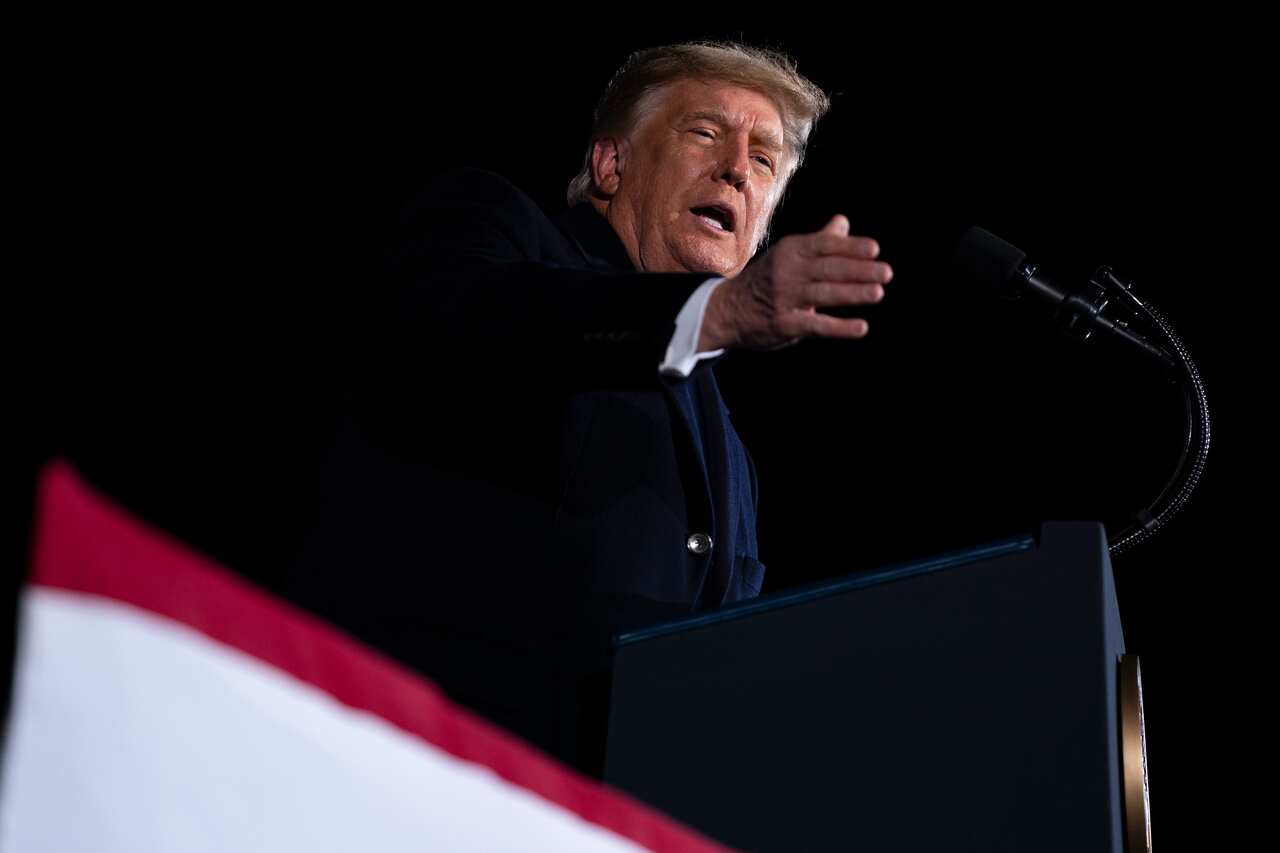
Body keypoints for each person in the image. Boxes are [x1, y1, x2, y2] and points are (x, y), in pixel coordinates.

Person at [288, 41, 893, 773]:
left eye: (764, 160)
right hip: (426, 754)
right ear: (610, 165)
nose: (737, 166)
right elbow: (470, 320)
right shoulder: (495, 227)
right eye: (705, 131)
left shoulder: (730, 445)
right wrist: (719, 313)